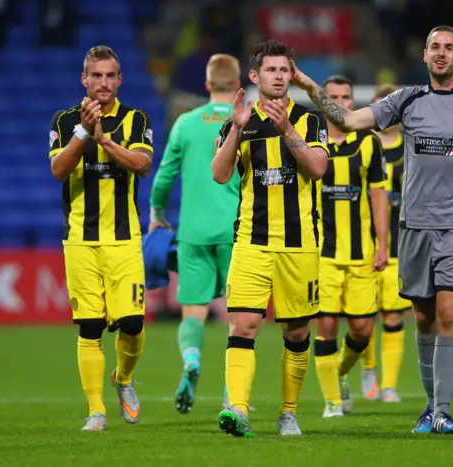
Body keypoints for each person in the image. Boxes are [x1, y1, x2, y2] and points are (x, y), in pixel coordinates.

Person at [292, 25, 453, 434]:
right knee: (423, 318)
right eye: (434, 47)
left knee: (449, 315)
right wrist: (311, 87)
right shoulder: (406, 100)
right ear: (424, 56)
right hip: (414, 228)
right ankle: (429, 407)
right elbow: (348, 120)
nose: (441, 53)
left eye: (449, 47)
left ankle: (443, 411)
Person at [211, 39, 329, 437]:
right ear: (255, 76)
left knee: (296, 333)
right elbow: (220, 174)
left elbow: (317, 168)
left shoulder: (310, 120)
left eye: (285, 70)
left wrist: (287, 129)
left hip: (299, 245)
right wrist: (236, 131)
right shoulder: (238, 121)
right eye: (272, 70)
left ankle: (288, 412)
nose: (279, 77)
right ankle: (239, 410)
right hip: (251, 243)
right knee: (243, 325)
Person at [48, 45, 154, 431]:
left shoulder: (135, 119)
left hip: (124, 240)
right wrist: (82, 133)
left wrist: (104, 140)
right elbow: (59, 170)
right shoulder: (64, 121)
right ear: (84, 79)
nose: (104, 83)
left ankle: (123, 378)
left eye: (110, 76)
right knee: (89, 327)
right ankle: (96, 411)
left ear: (119, 79)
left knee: (133, 322)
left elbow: (143, 165)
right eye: (97, 76)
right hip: (80, 240)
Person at [148, 54, 241, 414]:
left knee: (193, 311)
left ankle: (191, 361)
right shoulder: (245, 122)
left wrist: (157, 215)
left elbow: (164, 178)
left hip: (193, 229)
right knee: (240, 316)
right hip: (237, 230)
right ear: (238, 86)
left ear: (206, 86)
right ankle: (232, 393)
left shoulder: (185, 124)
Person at [313, 75, 389, 419]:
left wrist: (383, 244)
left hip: (361, 253)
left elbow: (379, 197)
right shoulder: (309, 142)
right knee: (326, 325)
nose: (341, 102)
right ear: (323, 101)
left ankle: (340, 373)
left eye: (347, 96)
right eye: (334, 97)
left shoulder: (369, 143)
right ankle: (333, 401)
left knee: (362, 330)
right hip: (320, 254)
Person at [359, 84, 414, 404]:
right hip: (362, 244)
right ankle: (368, 368)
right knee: (362, 318)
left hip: (399, 246)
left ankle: (389, 385)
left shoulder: (412, 148)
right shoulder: (361, 145)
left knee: (393, 318)